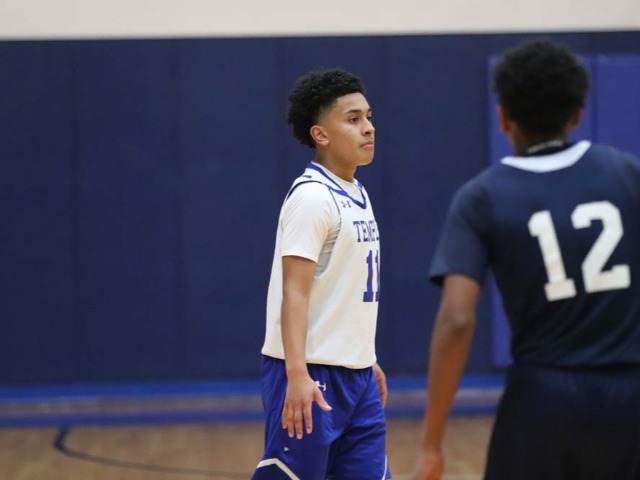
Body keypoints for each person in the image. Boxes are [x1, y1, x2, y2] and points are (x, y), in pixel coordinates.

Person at [414, 39, 640, 480]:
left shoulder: (481, 197)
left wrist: (431, 443)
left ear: (503, 117)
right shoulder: (628, 174)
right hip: (630, 397)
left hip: (541, 401)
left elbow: (457, 318)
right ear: (577, 113)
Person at [252, 68, 391, 480]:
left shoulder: (357, 192)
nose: (368, 128)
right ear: (321, 134)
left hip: (357, 376)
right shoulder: (313, 197)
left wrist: (364, 358)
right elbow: (294, 293)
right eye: (353, 119)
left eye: (368, 117)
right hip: (310, 371)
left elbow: (344, 290)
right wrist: (297, 375)